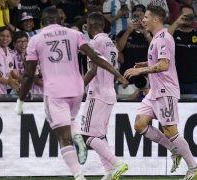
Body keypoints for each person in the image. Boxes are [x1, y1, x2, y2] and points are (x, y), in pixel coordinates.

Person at [15, 7, 128, 180]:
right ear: (59, 21)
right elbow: (103, 58)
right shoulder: (90, 38)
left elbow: (29, 74)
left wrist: (21, 100)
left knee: (74, 136)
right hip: (88, 90)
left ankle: (93, 169)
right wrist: (118, 75)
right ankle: (107, 169)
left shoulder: (37, 39)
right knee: (87, 129)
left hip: (71, 91)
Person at [124, 5, 197, 180]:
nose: (143, 20)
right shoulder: (156, 38)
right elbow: (159, 61)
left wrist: (141, 71)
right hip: (154, 91)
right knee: (140, 124)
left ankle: (194, 167)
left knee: (170, 131)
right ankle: (174, 150)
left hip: (165, 91)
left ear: (156, 20)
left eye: (146, 17)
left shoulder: (164, 38)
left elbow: (164, 65)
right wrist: (145, 64)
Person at [78, 12, 128, 180]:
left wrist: (78, 88)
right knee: (98, 135)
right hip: (109, 92)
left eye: (87, 24)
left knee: (86, 135)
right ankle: (109, 172)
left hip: (97, 92)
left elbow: (93, 70)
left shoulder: (94, 42)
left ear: (91, 25)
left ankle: (116, 163)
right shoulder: (111, 44)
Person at [168, 5, 197, 94]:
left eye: (190, 16)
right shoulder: (174, 33)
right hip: (175, 82)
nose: (188, 18)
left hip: (194, 83)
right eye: (185, 15)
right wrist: (177, 22)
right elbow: (164, 39)